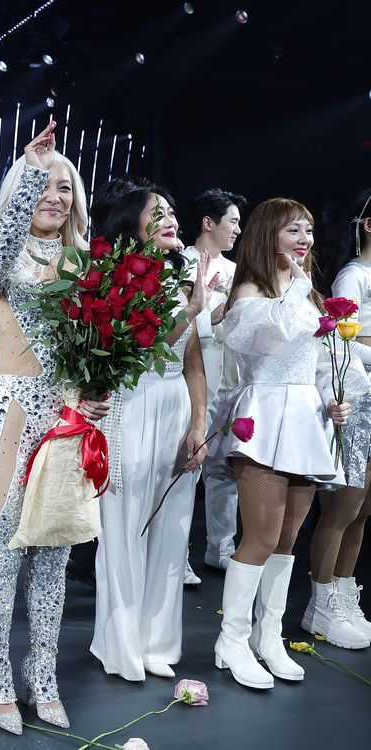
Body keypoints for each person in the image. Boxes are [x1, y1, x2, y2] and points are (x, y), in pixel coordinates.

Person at [0, 122, 110, 734]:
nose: (56, 196)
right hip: (10, 412)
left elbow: (104, 343)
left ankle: (42, 674)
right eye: (44, 187)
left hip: (68, 416)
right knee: (4, 549)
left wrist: (99, 396)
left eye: (65, 187)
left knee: (54, 552)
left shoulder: (87, 260)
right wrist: (29, 172)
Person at [208, 198, 352, 689]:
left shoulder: (305, 293)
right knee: (262, 536)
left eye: (309, 229)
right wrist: (304, 289)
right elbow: (267, 338)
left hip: (307, 419)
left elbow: (317, 358)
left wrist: (334, 402)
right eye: (294, 229)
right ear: (269, 234)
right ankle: (231, 638)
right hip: (266, 416)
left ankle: (268, 638)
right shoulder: (251, 289)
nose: (305, 237)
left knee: (289, 540)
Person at [90, 179, 210, 683]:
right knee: (124, 526)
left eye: (171, 211)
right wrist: (191, 309)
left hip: (175, 408)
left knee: (174, 526)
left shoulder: (183, 276)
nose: (169, 219)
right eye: (155, 211)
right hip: (129, 407)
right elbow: (147, 347)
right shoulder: (107, 278)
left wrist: (199, 423)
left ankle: (159, 641)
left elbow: (191, 359)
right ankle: (119, 644)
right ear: (130, 225)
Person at [303, 187, 371, 649]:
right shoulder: (353, 276)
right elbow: (343, 343)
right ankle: (319, 604)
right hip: (357, 402)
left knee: (365, 508)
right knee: (344, 505)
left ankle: (345, 596)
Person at [182, 188, 247, 577]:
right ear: (209, 223)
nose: (238, 229)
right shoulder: (180, 263)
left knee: (224, 467)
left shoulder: (239, 272)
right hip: (192, 372)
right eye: (233, 221)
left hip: (230, 374)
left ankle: (220, 545)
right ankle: (177, 552)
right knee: (187, 463)